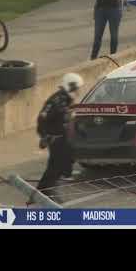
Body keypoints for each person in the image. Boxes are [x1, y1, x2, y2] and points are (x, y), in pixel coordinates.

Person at [31, 73, 84, 204]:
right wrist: (44, 136)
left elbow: (67, 119)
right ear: (71, 87)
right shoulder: (56, 100)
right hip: (55, 138)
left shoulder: (66, 99)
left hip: (63, 137)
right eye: (77, 88)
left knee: (65, 158)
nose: (78, 91)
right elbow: (42, 118)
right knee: (55, 166)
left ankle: (42, 191)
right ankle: (47, 192)